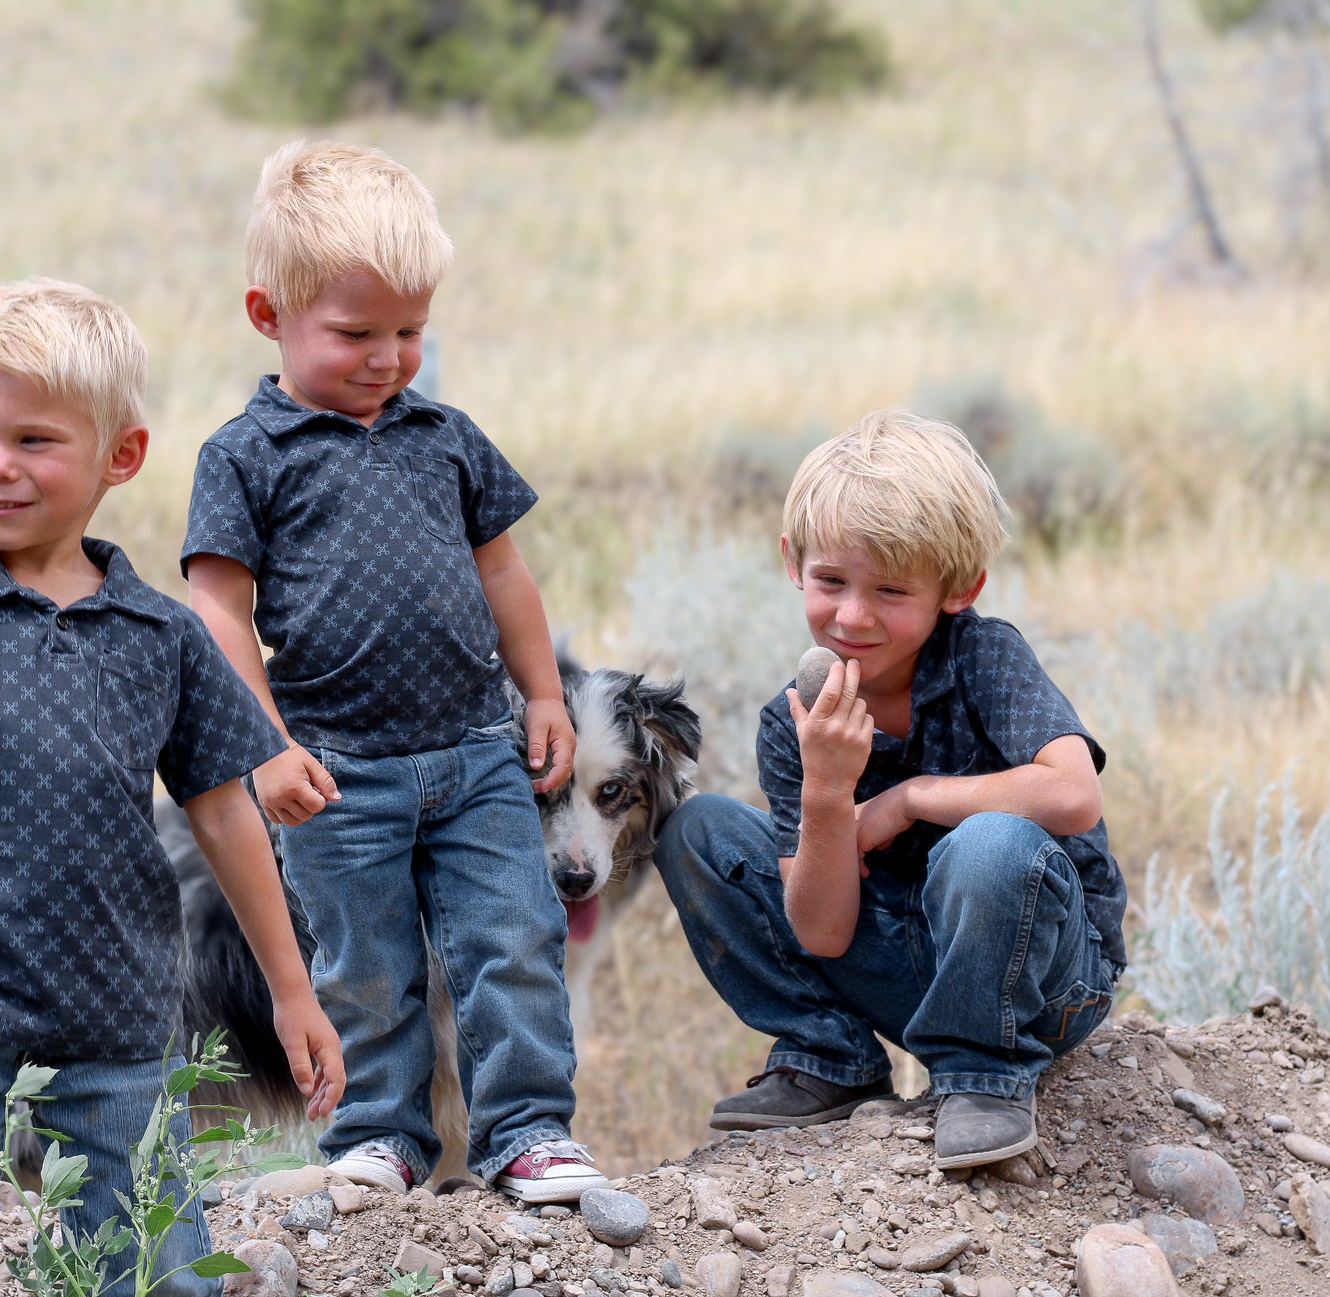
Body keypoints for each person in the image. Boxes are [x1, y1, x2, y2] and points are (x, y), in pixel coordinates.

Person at [0, 278, 342, 1295]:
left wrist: (290, 986)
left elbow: (223, 811)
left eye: (34, 440)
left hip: (122, 1016)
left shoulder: (161, 635)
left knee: (156, 1272)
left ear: (118, 456)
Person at [182, 140, 606, 1203]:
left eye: (410, 331)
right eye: (355, 333)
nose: (387, 357)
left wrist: (544, 694)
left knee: (511, 937)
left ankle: (527, 1132)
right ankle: (378, 1138)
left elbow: (502, 571)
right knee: (361, 964)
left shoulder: (447, 437)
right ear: (266, 313)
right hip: (333, 769)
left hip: (475, 752)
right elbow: (217, 611)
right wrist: (263, 746)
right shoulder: (245, 456)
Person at [653, 408, 1127, 1170]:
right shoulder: (794, 721)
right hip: (903, 966)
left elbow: (1072, 794)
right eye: (831, 580)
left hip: (1042, 983)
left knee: (991, 843)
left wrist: (906, 800)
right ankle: (830, 1056)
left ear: (959, 587)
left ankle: (984, 1075)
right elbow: (823, 934)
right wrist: (828, 798)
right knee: (698, 830)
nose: (852, 615)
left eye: (891, 591)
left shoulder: (984, 658)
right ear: (791, 561)